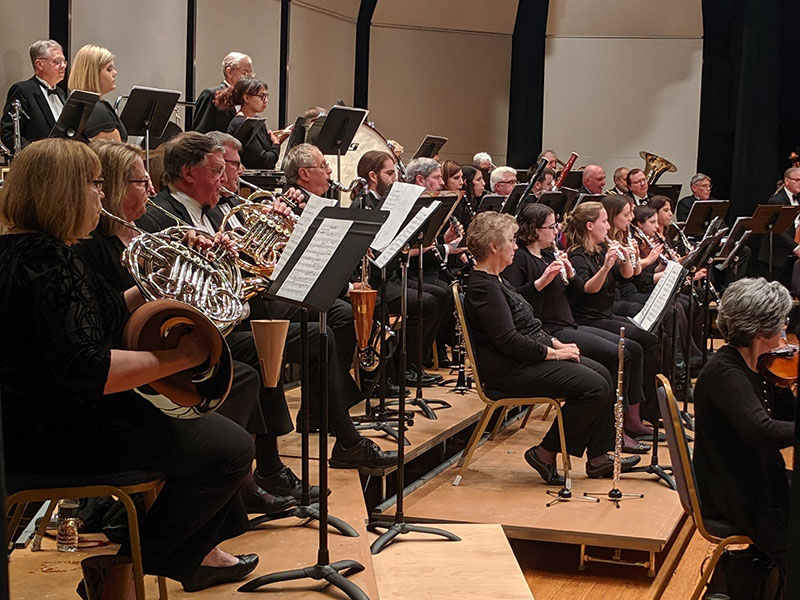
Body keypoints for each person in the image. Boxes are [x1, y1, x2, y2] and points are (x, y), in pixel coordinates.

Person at [0, 137, 258, 593]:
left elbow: (95, 318)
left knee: (220, 436)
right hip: (62, 437)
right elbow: (88, 367)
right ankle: (125, 570)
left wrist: (153, 283)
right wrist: (177, 357)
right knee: (229, 450)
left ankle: (139, 567)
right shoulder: (53, 263)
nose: (102, 195)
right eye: (95, 184)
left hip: (26, 426)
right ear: (62, 191)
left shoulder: (20, 251)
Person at [76, 139, 302, 514]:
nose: (151, 189)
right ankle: (219, 490)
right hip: (135, 356)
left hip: (167, 344)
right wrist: (164, 276)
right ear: (115, 186)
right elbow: (106, 317)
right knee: (238, 374)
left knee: (241, 372)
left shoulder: (149, 224)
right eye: (140, 181)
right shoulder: (92, 247)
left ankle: (237, 484)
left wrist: (206, 257)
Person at [464, 211, 640, 483]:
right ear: (494, 247)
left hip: (525, 358)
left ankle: (598, 458)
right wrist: (553, 353)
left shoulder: (497, 279)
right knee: (594, 387)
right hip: (508, 370)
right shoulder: (483, 287)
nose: (515, 245)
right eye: (511, 241)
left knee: (604, 373)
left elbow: (525, 321)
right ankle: (545, 452)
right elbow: (508, 340)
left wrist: (555, 341)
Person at [503, 203, 653, 450]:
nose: (555, 231)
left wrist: (571, 275)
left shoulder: (551, 254)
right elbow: (515, 298)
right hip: (548, 330)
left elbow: (578, 291)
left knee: (627, 350)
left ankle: (618, 430)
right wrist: (542, 281)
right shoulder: (520, 259)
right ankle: (615, 432)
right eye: (550, 227)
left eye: (555, 226)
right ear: (534, 230)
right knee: (620, 354)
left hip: (567, 324)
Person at [694, 278, 794, 576]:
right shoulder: (725, 373)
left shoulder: (760, 365)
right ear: (762, 329)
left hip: (756, 479)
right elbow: (759, 431)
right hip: (736, 492)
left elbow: (789, 414)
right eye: (782, 321)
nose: (784, 329)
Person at [564, 202, 660, 424]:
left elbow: (626, 275)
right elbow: (587, 289)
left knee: (646, 339)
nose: (608, 227)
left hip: (604, 315)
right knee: (632, 348)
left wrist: (626, 257)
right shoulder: (577, 256)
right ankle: (629, 418)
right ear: (590, 226)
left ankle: (638, 413)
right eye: (604, 222)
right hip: (587, 318)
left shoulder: (601, 250)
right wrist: (606, 267)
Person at [1, 40, 67, 150]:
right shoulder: (22, 90)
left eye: (64, 62)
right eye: (57, 62)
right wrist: (35, 155)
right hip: (36, 164)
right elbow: (9, 133)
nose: (63, 66)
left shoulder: (61, 93)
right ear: (40, 64)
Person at [221, 76, 284, 169]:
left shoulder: (257, 121)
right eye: (261, 96)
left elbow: (268, 153)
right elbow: (264, 161)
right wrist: (276, 144)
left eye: (266, 96)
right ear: (246, 98)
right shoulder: (241, 123)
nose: (266, 100)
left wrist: (279, 138)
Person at [67, 44, 126, 142]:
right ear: (92, 74)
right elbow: (115, 155)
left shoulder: (86, 105)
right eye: (109, 69)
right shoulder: (96, 111)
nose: (115, 73)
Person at [758, 166, 800, 286]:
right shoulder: (777, 200)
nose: (799, 183)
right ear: (786, 181)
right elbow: (777, 229)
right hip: (775, 255)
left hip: (790, 255)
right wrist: (795, 247)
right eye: (797, 180)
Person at [192, 51, 253, 133]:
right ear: (229, 72)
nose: (249, 78)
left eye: (250, 73)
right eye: (245, 73)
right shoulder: (211, 94)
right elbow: (200, 131)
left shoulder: (244, 97)